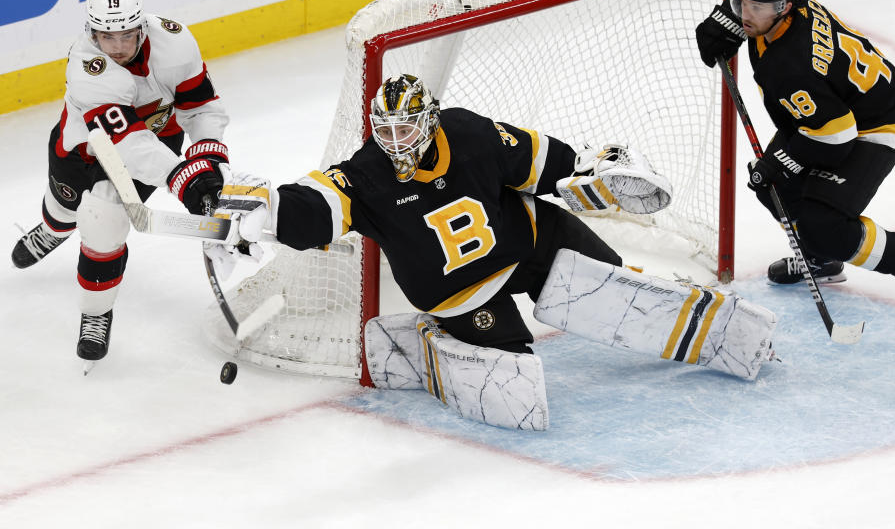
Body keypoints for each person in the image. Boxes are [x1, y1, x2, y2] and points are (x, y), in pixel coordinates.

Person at [210, 74, 778, 430]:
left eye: (406, 130)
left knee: (616, 293)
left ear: (430, 123)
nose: (394, 142)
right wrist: (271, 211)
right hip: (460, 291)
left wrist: (591, 167)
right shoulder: (364, 175)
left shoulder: (470, 133)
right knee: (516, 393)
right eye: (385, 131)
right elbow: (315, 205)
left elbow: (541, 162)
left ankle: (710, 331)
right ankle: (428, 344)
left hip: (531, 238)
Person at [695, 0, 895, 334]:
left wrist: (783, 159)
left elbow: (837, 137)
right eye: (741, 0)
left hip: (870, 128)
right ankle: (820, 260)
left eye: (755, 6)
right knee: (773, 187)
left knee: (822, 224)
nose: (745, 12)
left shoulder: (791, 65)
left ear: (783, 6)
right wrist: (729, 19)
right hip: (828, 109)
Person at [11, 0, 230, 367]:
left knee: (104, 219)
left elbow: (200, 108)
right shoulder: (87, 68)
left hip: (156, 145)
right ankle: (53, 229)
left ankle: (95, 312)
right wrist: (186, 179)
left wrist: (208, 164)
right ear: (91, 32)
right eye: (105, 37)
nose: (116, 48)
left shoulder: (175, 43)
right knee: (64, 212)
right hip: (83, 150)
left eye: (126, 35)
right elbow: (127, 144)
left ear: (142, 26)